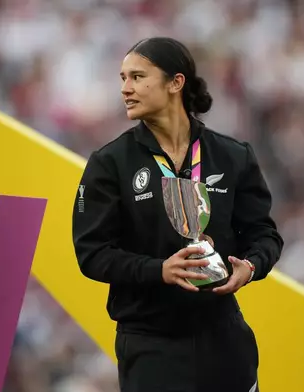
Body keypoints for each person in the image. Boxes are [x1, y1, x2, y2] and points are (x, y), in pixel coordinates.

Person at [72, 37, 284, 392]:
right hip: (152, 345)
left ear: (176, 82)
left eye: (138, 77)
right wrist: (160, 270)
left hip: (225, 340)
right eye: (123, 78)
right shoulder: (109, 164)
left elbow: (265, 234)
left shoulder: (233, 156)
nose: (126, 88)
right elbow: (91, 254)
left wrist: (251, 265)